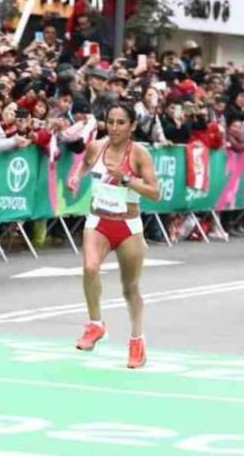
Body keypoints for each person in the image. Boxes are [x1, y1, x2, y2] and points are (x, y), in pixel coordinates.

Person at [66, 102, 160, 369]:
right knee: (89, 267)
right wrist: (76, 177)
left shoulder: (139, 154)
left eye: (121, 122)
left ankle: (137, 341)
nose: (115, 127)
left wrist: (127, 180)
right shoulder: (97, 146)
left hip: (128, 226)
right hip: (98, 221)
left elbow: (155, 192)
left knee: (129, 288)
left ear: (132, 126)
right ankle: (96, 325)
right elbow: (84, 164)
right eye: (111, 122)